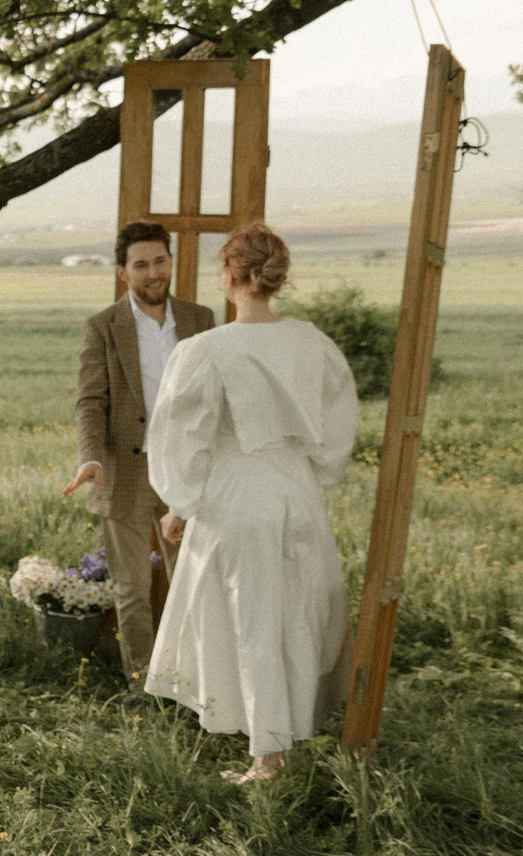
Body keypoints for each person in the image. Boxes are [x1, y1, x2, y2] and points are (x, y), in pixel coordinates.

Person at [143, 223, 359, 784]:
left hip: (238, 496)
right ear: (276, 278)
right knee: (294, 610)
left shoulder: (207, 350)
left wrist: (182, 499)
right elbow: (336, 430)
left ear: (229, 276)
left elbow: (185, 435)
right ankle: (278, 740)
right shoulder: (313, 343)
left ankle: (267, 757)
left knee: (251, 618)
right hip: (297, 491)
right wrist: (307, 468)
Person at [67, 220, 217, 691]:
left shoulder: (200, 320)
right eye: (140, 265)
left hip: (187, 474)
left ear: (170, 263)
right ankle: (143, 688)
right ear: (121, 272)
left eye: (159, 261)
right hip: (124, 472)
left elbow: (214, 398)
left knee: (191, 585)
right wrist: (90, 458)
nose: (153, 272)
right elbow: (91, 401)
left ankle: (193, 687)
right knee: (132, 592)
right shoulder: (102, 327)